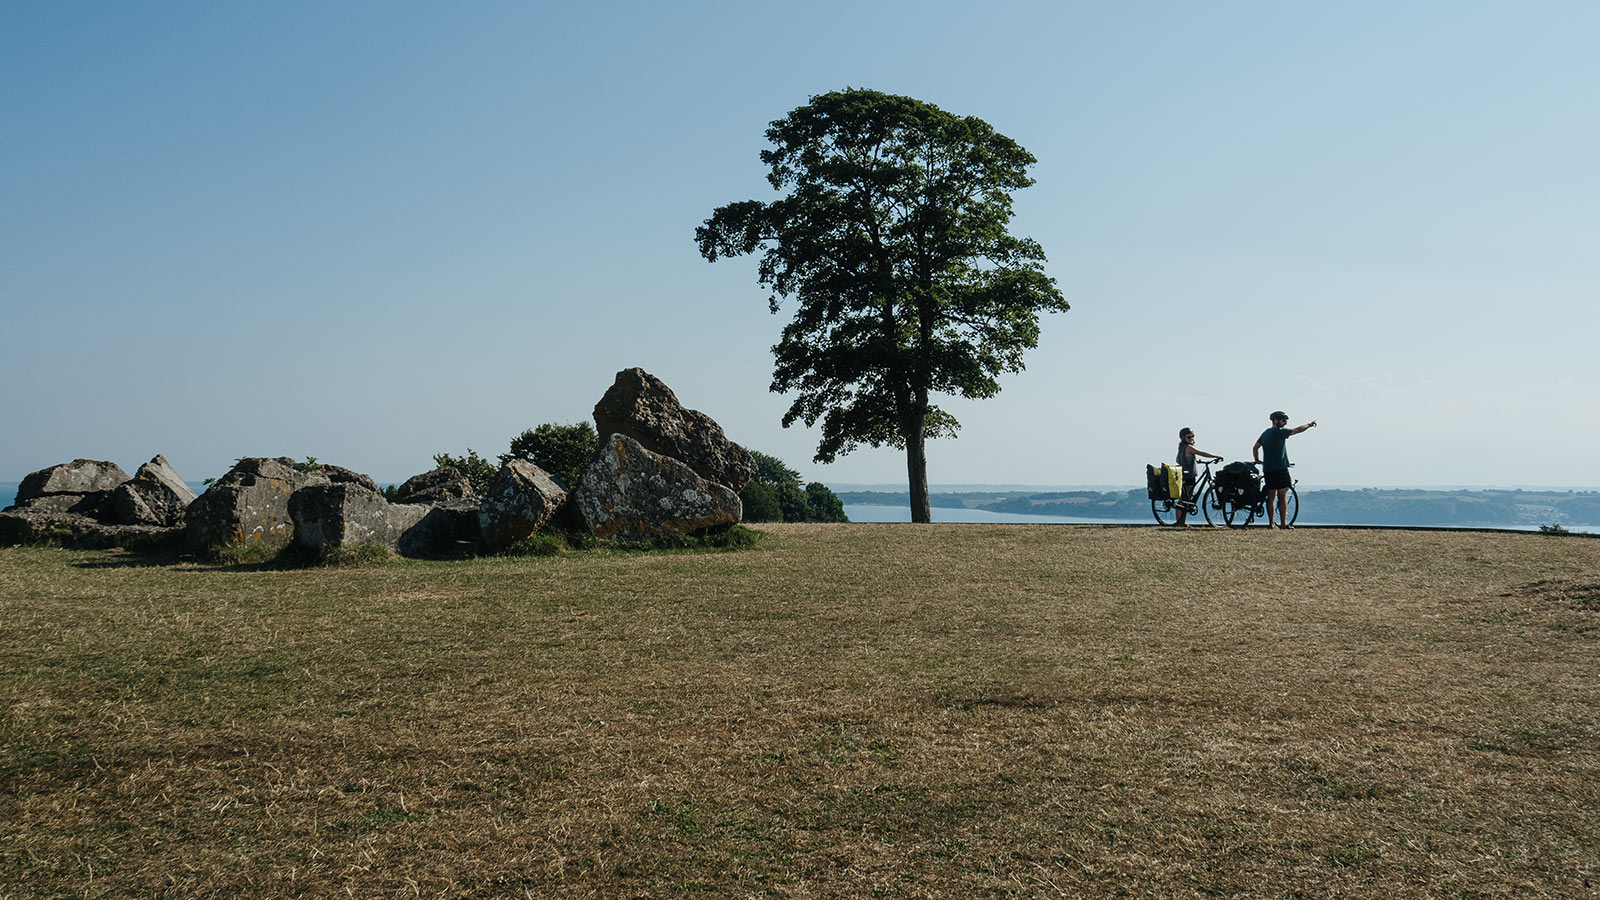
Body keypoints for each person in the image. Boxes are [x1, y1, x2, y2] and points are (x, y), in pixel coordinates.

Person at [1252, 411, 1317, 528]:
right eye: (1283, 420)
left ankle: (1271, 523)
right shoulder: (1279, 432)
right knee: (1283, 493)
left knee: (1271, 494)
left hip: (1268, 468)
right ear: (1276, 421)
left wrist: (1257, 459)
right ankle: (1283, 523)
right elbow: (1297, 430)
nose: (1285, 423)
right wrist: (1309, 425)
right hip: (1280, 468)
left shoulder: (1266, 433)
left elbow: (1255, 447)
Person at [1174, 427, 1223, 526]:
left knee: (1185, 500)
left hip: (1185, 475)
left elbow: (1178, 460)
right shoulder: (1188, 447)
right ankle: (1180, 523)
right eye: (1189, 437)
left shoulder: (1181, 448)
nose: (1191, 438)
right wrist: (1215, 456)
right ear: (1183, 438)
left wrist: (1194, 461)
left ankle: (1182, 523)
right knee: (1183, 500)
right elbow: (1201, 453)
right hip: (1189, 477)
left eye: (1193, 436)